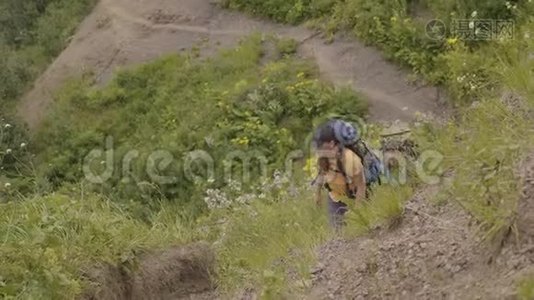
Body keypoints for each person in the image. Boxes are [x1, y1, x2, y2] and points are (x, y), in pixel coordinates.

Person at [312, 119, 367, 229]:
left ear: (332, 144)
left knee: (358, 228)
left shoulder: (350, 159)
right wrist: (317, 194)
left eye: (321, 146)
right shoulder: (323, 157)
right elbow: (321, 174)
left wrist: (357, 209)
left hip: (354, 196)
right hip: (335, 197)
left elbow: (361, 186)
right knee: (337, 233)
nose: (318, 150)